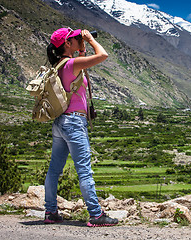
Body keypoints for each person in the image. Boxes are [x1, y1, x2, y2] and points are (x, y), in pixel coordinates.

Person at [44, 27, 118, 227]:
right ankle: (96, 214)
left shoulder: (60, 65)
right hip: (74, 122)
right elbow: (103, 55)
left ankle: (50, 211)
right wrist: (91, 40)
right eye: (74, 38)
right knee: (84, 170)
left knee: (54, 170)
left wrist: (82, 48)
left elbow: (79, 76)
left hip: (60, 122)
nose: (78, 39)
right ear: (67, 44)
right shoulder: (72, 63)